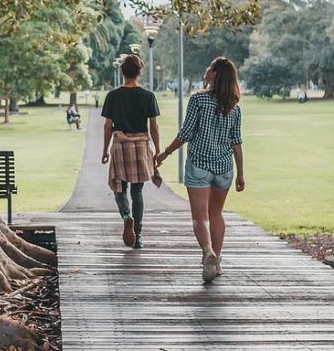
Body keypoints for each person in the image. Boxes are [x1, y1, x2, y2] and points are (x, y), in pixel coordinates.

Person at [155, 57, 245, 283]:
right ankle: (218, 261)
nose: (206, 69)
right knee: (216, 214)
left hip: (199, 166)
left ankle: (208, 252)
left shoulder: (198, 100)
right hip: (224, 167)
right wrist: (241, 174)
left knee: (200, 218)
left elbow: (185, 134)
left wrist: (165, 153)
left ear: (214, 74)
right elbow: (237, 143)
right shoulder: (235, 107)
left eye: (209, 67)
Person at [100, 55, 162, 249]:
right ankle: (138, 235)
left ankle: (127, 216)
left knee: (119, 187)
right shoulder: (148, 96)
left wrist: (105, 150)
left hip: (120, 146)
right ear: (140, 72)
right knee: (137, 190)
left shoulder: (113, 96)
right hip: (141, 146)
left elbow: (108, 126)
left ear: (122, 72)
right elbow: (154, 127)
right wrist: (157, 151)